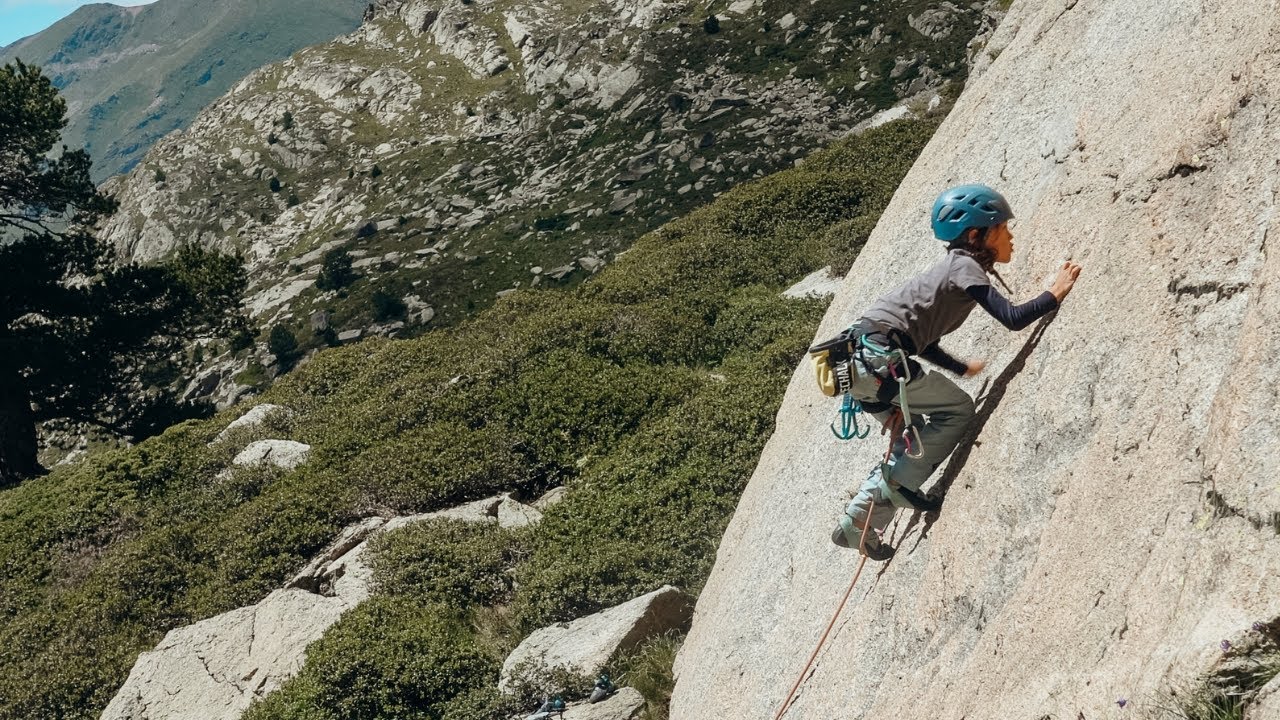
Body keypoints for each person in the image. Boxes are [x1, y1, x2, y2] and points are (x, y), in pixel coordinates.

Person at [831, 184, 1082, 560]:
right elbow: (1012, 318)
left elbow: (922, 339)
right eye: (1002, 228)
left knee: (911, 437)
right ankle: (900, 487)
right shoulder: (965, 267)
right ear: (976, 235)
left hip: (860, 364)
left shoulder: (952, 269)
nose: (1010, 236)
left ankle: (857, 526)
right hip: (879, 363)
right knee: (957, 411)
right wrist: (1054, 293)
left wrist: (959, 367)